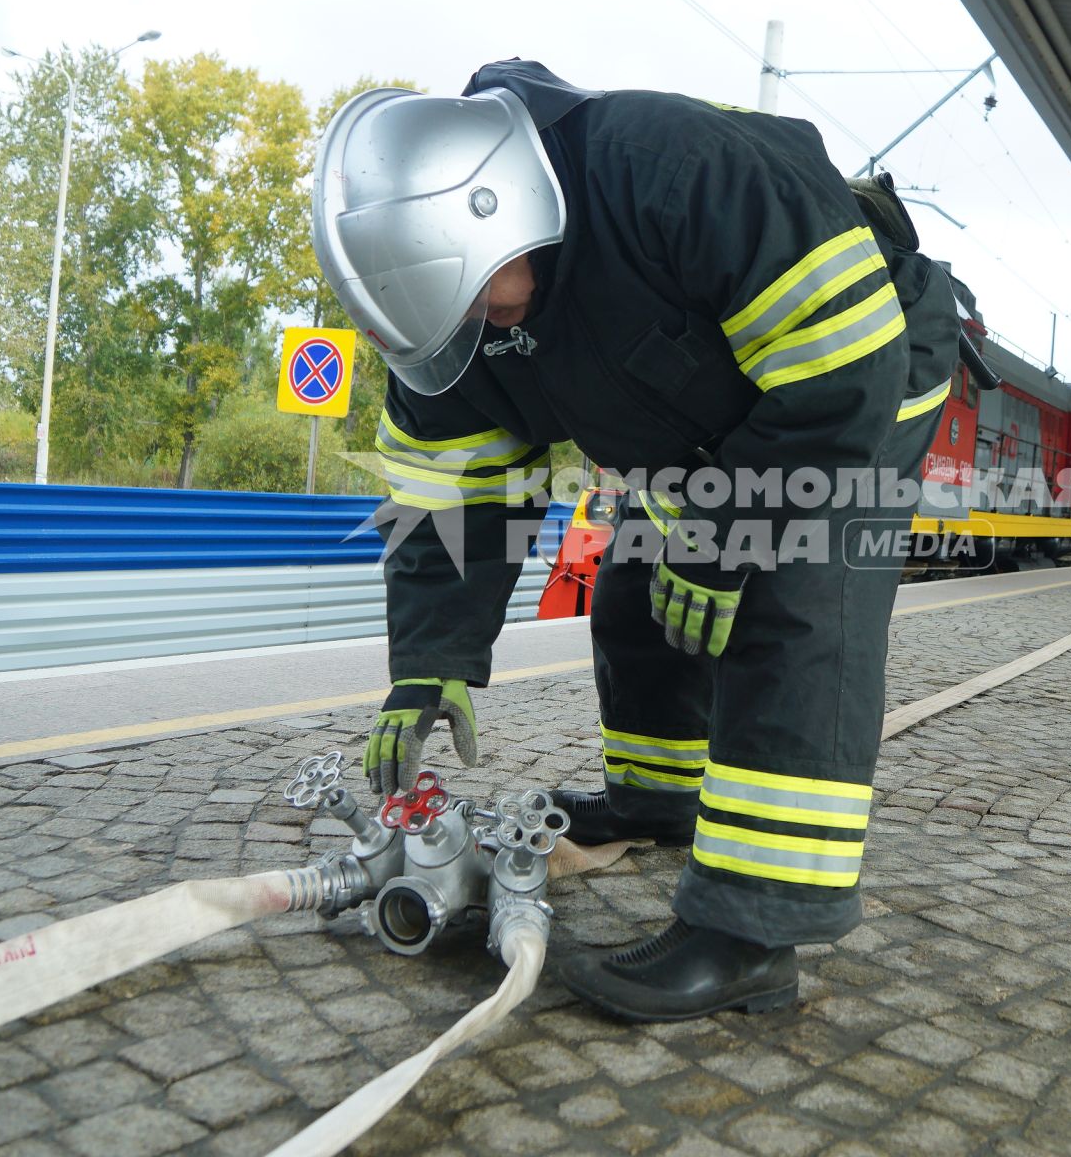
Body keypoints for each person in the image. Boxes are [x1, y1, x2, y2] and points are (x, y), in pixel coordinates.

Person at [310, 61, 961, 1022]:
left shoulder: (673, 172)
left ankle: (753, 934)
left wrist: (723, 539)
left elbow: (836, 384)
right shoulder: (454, 312)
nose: (481, 326)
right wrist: (430, 663)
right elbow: (455, 502)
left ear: (505, 209)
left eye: (484, 295)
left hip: (853, 380)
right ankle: (662, 801)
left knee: (793, 604)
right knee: (636, 590)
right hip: (693, 432)